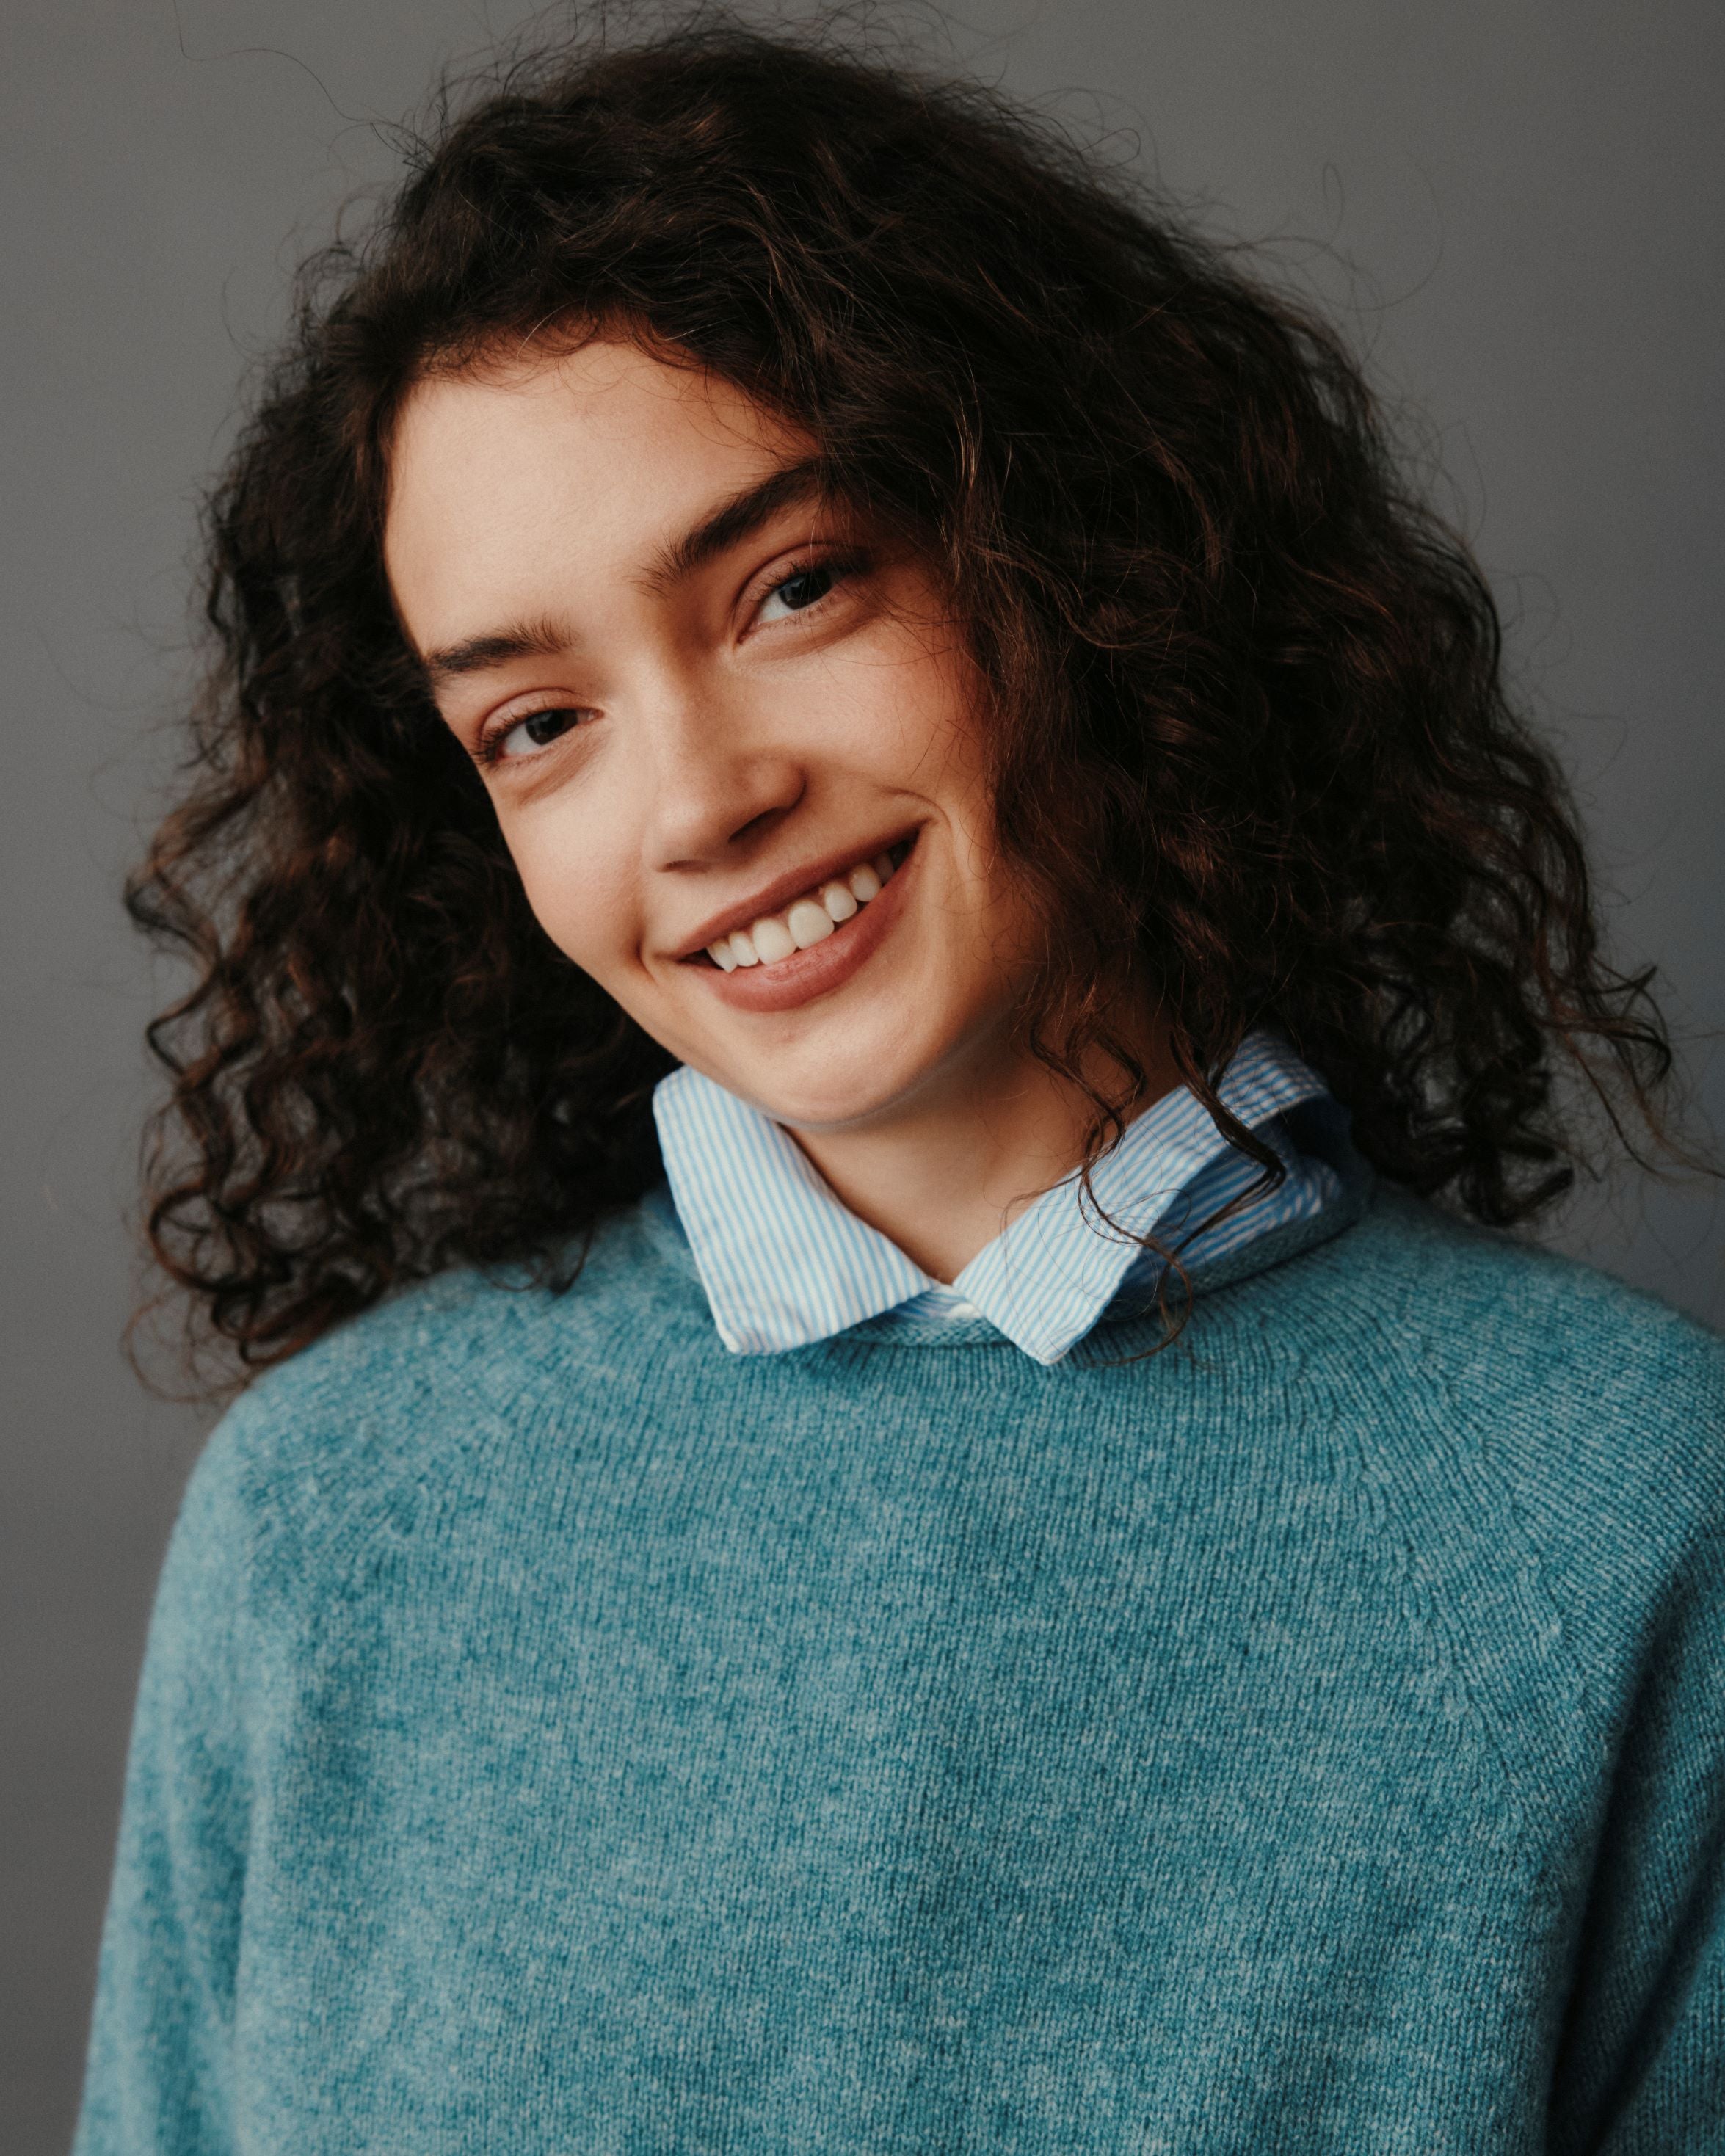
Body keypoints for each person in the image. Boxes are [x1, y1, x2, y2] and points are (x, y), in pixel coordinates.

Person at [77, 15, 1724, 2152]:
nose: (700, 799)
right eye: (537, 722)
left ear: (1083, 555)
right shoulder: (326, 1522)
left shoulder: (1624, 1514)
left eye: (795, 585)